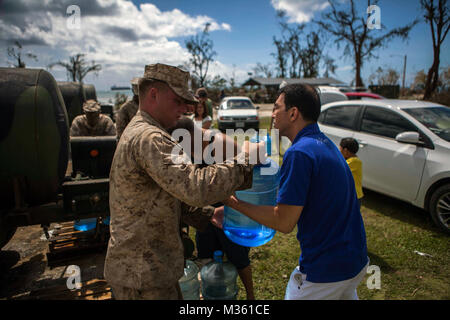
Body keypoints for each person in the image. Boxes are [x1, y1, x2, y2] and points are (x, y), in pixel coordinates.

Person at [104, 63, 262, 300]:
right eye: (177, 101)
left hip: (147, 270)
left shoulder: (143, 131)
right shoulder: (150, 137)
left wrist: (207, 215)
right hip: (143, 276)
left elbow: (165, 195)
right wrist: (245, 161)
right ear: (153, 94)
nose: (185, 108)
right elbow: (195, 186)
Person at [223, 83, 368, 300]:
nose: (272, 114)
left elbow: (284, 221)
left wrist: (235, 204)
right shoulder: (323, 143)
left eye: (276, 107)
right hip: (354, 259)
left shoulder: (299, 153)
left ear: (293, 113)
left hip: (325, 270)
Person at [168, 117, 255, 300]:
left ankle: (251, 297)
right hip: (205, 210)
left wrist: (235, 210)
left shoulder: (221, 143)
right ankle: (211, 292)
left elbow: (245, 179)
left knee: (239, 259)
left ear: (191, 133)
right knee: (206, 256)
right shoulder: (183, 148)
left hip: (230, 209)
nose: (184, 149)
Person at [340, 137, 364, 209]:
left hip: (354, 196)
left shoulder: (354, 161)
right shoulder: (350, 160)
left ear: (345, 151)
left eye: (340, 149)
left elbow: (338, 167)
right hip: (349, 195)